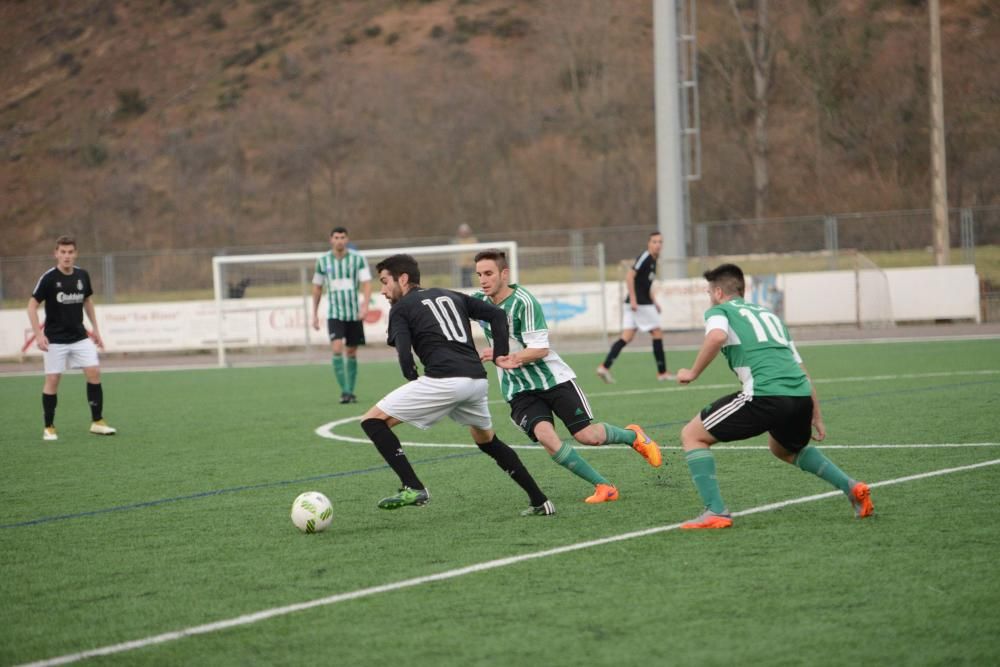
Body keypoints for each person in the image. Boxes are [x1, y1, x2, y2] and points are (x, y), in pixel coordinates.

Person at [675, 263, 873, 529]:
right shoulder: (771, 317)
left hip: (765, 395)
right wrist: (817, 413)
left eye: (710, 292)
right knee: (783, 448)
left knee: (692, 435)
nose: (709, 297)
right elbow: (800, 367)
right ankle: (852, 488)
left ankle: (715, 511)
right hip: (800, 396)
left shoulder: (719, 311)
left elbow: (717, 336)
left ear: (719, 292)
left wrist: (693, 372)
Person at [360, 253, 556, 517]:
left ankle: (413, 486)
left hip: (444, 380)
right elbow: (498, 315)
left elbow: (405, 357)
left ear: (403, 279)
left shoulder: (401, 308)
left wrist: (412, 377)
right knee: (487, 441)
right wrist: (499, 355)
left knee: (372, 421)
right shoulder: (451, 295)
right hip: (476, 380)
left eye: (385, 282)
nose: (382, 290)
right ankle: (540, 500)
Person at [472, 249, 663, 505]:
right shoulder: (479, 301)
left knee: (587, 436)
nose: (483, 280)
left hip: (553, 379)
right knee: (546, 437)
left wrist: (511, 358)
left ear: (504, 274)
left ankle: (633, 436)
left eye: (488, 273)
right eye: (479, 275)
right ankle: (604, 486)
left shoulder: (524, 302)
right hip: (518, 389)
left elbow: (540, 348)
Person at [26, 235, 117, 441]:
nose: (66, 256)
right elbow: (31, 306)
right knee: (53, 380)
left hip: (79, 337)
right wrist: (39, 335)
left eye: (70, 252)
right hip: (55, 339)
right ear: (56, 254)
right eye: (63, 252)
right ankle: (49, 427)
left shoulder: (82, 275)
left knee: (94, 372)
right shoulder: (48, 278)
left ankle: (97, 422)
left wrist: (96, 330)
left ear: (75, 254)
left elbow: (88, 301)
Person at [597, 231, 673, 383]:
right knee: (657, 333)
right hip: (639, 303)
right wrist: (633, 299)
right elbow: (630, 276)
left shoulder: (654, 260)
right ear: (649, 243)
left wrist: (655, 302)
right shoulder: (645, 257)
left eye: (660, 242)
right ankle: (662, 373)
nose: (658, 245)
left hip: (638, 303)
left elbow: (646, 285)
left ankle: (604, 367)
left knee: (627, 336)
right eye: (655, 242)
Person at [311, 227, 372, 404]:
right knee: (337, 348)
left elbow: (367, 283)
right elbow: (317, 287)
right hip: (335, 314)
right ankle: (345, 391)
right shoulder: (323, 261)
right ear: (331, 240)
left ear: (347, 239)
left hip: (354, 314)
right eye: (336, 237)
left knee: (351, 352)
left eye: (342, 237)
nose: (339, 240)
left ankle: (350, 391)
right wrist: (314, 314)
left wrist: (365, 306)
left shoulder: (358, 259)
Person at [452, 223, 479, 288]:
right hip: (461, 265)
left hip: (470, 264)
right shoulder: (457, 241)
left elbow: (474, 252)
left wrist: (472, 261)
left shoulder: (473, 240)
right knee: (462, 280)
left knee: (469, 279)